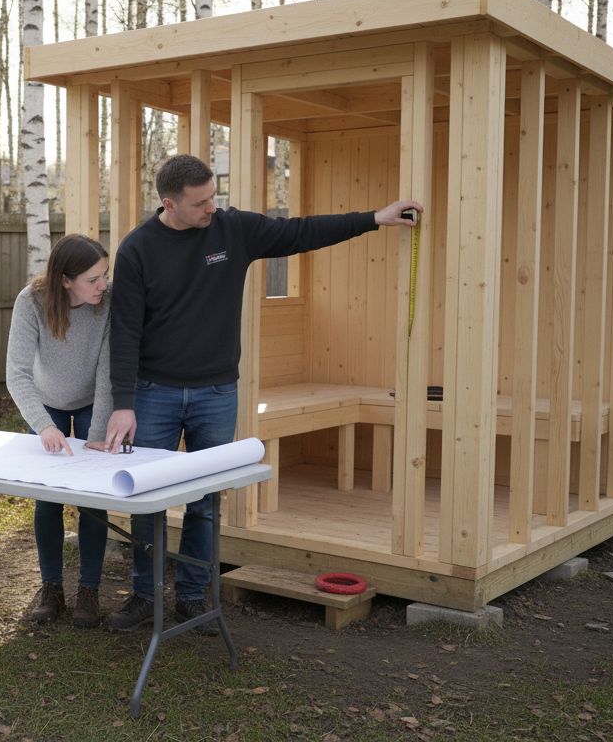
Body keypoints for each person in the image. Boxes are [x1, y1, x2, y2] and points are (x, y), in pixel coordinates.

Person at [102, 154, 422, 632]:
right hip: (154, 393)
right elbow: (124, 331)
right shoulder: (138, 249)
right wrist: (123, 403)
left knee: (205, 502)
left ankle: (192, 596)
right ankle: (145, 596)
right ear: (168, 203)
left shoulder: (233, 231)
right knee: (149, 499)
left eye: (215, 196)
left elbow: (302, 231)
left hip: (215, 392)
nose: (213, 208)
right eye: (201, 203)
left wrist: (374, 219)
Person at [6, 234, 114, 628]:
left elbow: (107, 373)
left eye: (105, 275)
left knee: (91, 496)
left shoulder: (107, 304)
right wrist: (45, 426)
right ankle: (51, 586)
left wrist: (98, 432)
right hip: (47, 403)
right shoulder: (30, 302)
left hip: (91, 404)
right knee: (47, 497)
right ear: (65, 280)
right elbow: (16, 374)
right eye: (93, 279)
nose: (103, 285)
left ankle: (88, 589)